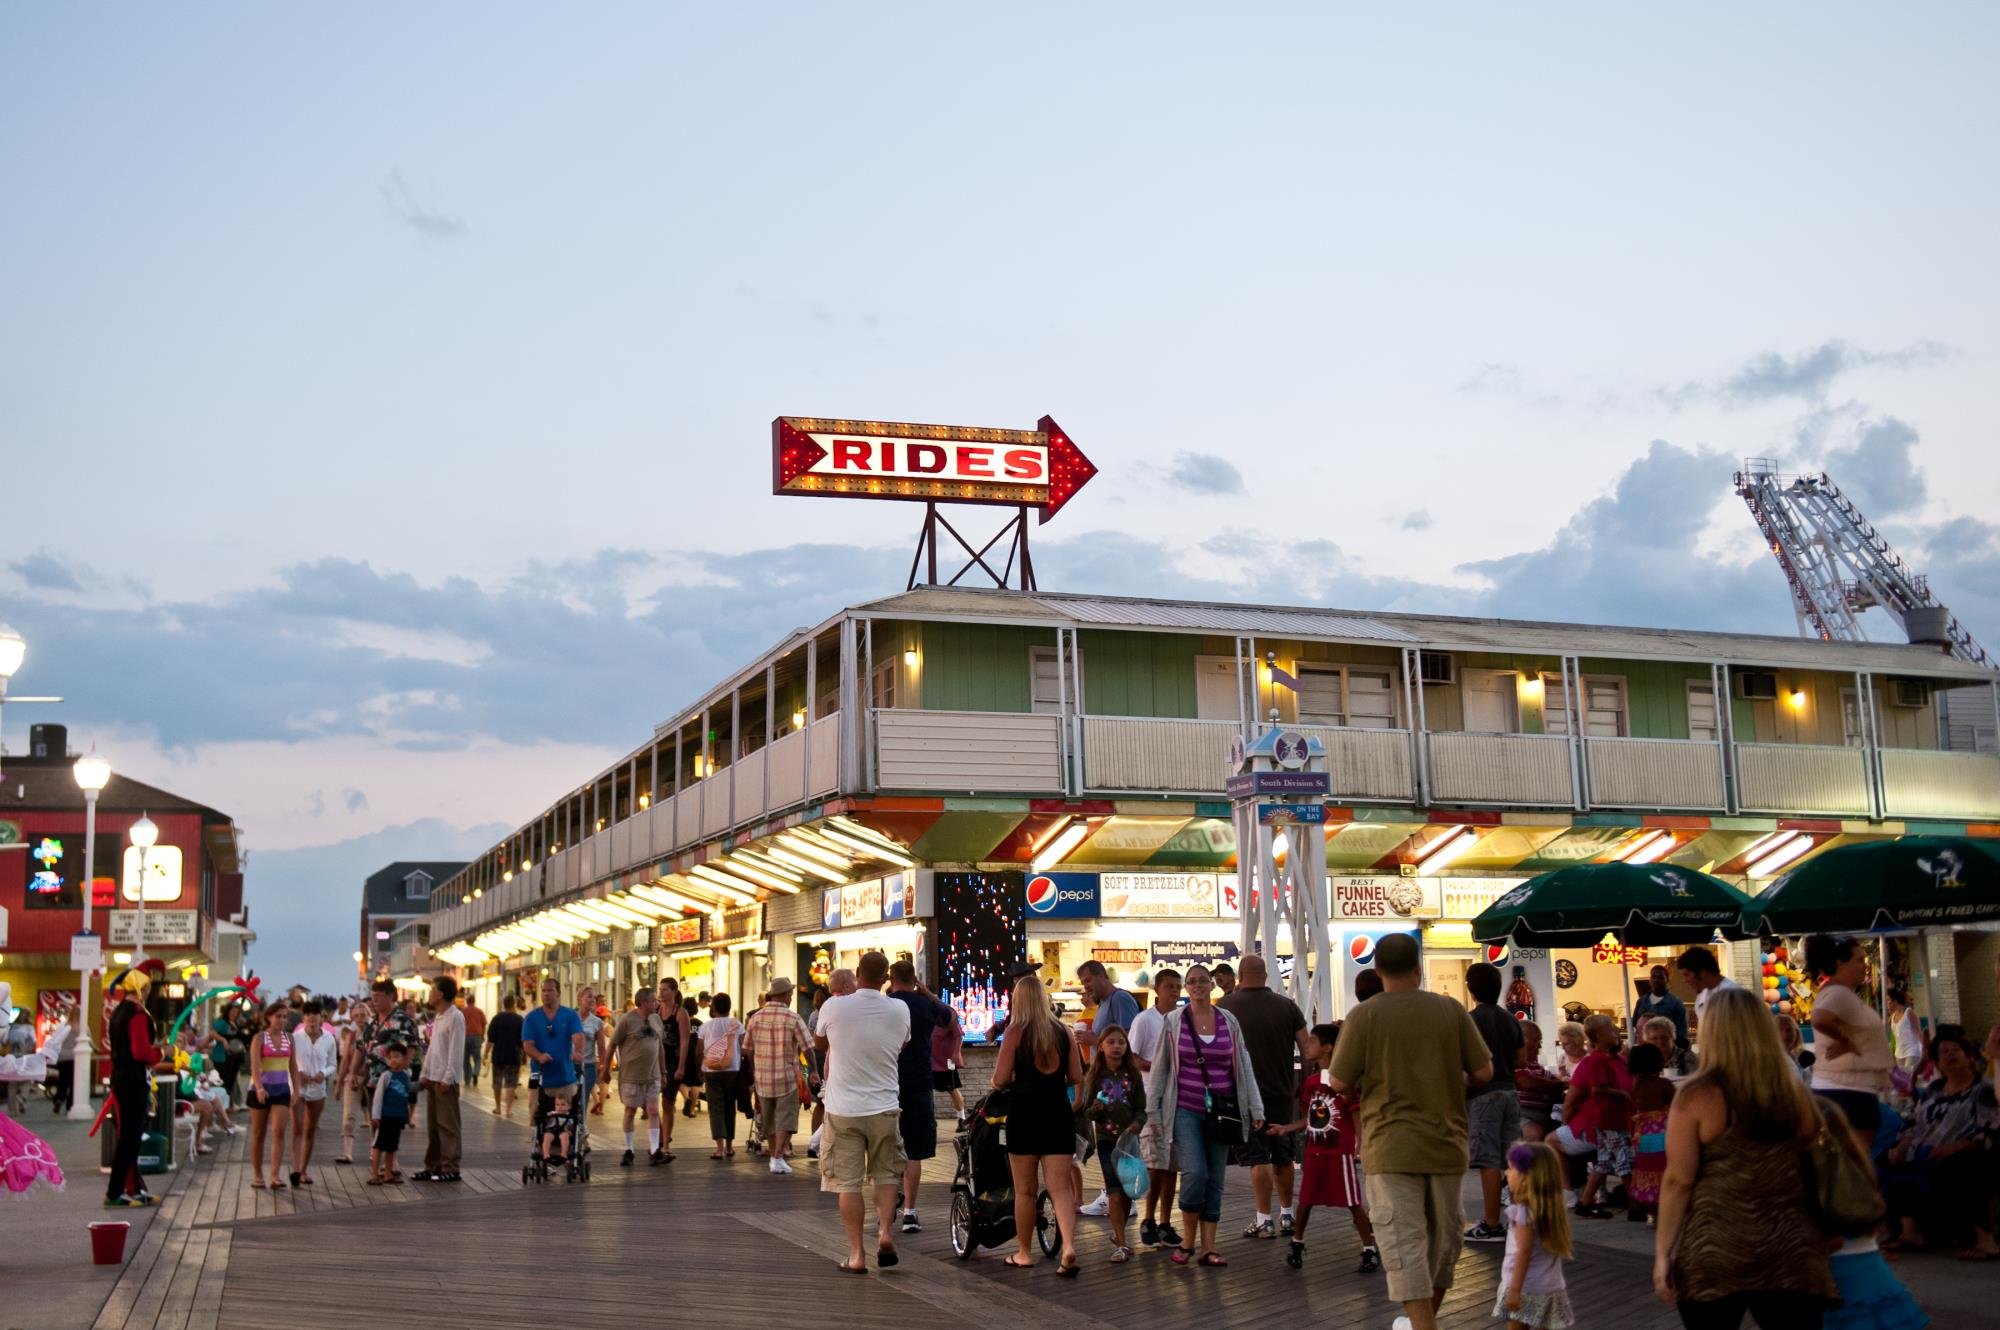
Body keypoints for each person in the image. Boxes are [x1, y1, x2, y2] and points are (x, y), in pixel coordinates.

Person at [1327, 933, 1492, 1330]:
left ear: (1378, 970)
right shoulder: (1451, 1010)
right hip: (1446, 1143)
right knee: (1443, 1244)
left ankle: (1420, 1324)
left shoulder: (1363, 1016)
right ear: (1418, 967)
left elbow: (1337, 1082)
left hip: (1390, 1145)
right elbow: (1484, 1072)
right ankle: (1422, 1322)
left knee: (1404, 1243)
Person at [1653, 984, 1837, 1327]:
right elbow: (1812, 1153)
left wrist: (1664, 1253)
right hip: (1790, 1246)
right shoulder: (1793, 1091)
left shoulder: (1697, 1095)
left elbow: (1678, 1181)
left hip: (1714, 1245)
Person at [1143, 962, 1266, 1269]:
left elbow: (1244, 1065)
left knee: (1216, 1178)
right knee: (1195, 1172)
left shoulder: (1228, 1021)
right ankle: (1187, 1239)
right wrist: (1153, 1111)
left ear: (1212, 985)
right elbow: (1160, 1068)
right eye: (1192, 981)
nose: (1198, 985)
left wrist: (1255, 1107)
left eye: (1203, 980)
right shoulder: (1174, 1022)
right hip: (1185, 1108)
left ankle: (1209, 1247)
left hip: (1223, 1111)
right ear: (1187, 988)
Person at [815, 951, 912, 1274]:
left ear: (857, 974)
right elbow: (902, 1045)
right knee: (886, 1176)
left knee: (848, 1183)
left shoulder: (834, 1006)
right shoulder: (900, 1009)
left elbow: (820, 1043)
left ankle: (857, 1255)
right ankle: (884, 1233)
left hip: (843, 1110)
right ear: (886, 978)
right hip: (884, 1106)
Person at [993, 971, 1085, 1273]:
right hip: (1057, 1113)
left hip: (1024, 1114)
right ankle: (1069, 1247)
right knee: (1060, 1189)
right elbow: (1076, 1076)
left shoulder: (1015, 1033)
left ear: (1018, 1000)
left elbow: (999, 1080)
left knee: (1025, 1191)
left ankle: (1023, 1252)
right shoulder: (1063, 1032)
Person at [1882, 1023, 1999, 1258]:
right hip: (1926, 1152)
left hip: (1970, 1153)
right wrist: (1902, 1144)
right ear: (1936, 1062)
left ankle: (1987, 1241)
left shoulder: (1983, 1090)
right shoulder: (1934, 1089)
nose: (1949, 1055)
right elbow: (1914, 1122)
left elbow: (1990, 1129)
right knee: (1888, 1164)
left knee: (1957, 1167)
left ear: (1968, 1056)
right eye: (1943, 1052)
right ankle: (1911, 1233)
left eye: (1955, 1050)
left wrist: (1955, 1147)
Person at [1217, 952, 1308, 1240]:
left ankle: (1263, 1219)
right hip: (1282, 1092)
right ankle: (1287, 1215)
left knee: (1259, 1158)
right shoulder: (1287, 1007)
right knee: (1283, 1155)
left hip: (1244, 1096)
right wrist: (1304, 1082)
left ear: (1240, 976)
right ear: (1267, 977)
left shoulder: (1225, 1006)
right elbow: (1307, 1049)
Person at [1279, 1022, 1376, 1273]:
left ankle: (1369, 1248)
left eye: (1312, 1041)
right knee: (1306, 1199)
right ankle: (1297, 1242)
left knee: (1353, 1201)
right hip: (1315, 1149)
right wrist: (1287, 1128)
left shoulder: (1343, 1080)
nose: (1307, 1045)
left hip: (1339, 1150)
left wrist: (1359, 1143)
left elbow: (1355, 1113)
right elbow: (1311, 1116)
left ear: (1328, 1047)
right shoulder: (1312, 1082)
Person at [1807, 934, 1893, 1155]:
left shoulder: (1838, 993)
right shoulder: (1838, 993)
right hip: (1848, 1090)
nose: (1864, 966)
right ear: (1840, 963)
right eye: (1859, 960)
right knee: (1855, 1159)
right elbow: (1819, 1018)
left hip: (1845, 1088)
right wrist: (1844, 1039)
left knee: (1847, 1159)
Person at [1461, 961, 1524, 1245]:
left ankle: (1491, 1222)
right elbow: (1522, 1059)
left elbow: (1462, 1060)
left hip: (1483, 1095)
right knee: (1513, 1158)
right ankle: (1521, 1216)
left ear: (1471, 989)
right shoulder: (1510, 1019)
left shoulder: (1470, 1020)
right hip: (1510, 1091)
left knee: (1488, 1160)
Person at [1076, 1024, 1147, 1261]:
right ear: (1102, 1046)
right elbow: (1087, 1111)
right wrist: (1096, 1108)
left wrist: (1138, 1123)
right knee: (1114, 1190)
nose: (1116, 1046)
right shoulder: (1095, 1075)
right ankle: (1121, 1242)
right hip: (1107, 1141)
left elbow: (1141, 1109)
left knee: (1127, 1192)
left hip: (1128, 1142)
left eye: (1121, 1042)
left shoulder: (1133, 1074)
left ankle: (1121, 1236)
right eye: (1111, 1042)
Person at [1553, 1015, 1630, 1219]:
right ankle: (1634, 1202)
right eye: (1610, 1029)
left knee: (1606, 1160)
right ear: (1597, 1036)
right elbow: (1596, 1090)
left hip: (1607, 1121)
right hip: (1608, 1120)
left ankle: (1580, 1198)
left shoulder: (1608, 1060)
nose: (1615, 1030)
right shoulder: (1604, 1060)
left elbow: (1575, 1099)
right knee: (1618, 1160)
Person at [1128, 968, 1183, 1250]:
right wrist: (1158, 1068)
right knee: (1154, 1162)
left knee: (1172, 1163)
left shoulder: (1182, 1020)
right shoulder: (1145, 1020)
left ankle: (1165, 1221)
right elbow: (1133, 1055)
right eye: (1170, 987)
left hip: (1178, 1099)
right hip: (1152, 1097)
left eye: (1178, 987)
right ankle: (1148, 1217)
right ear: (1157, 989)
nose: (1175, 992)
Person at [1495, 1142, 1575, 1330]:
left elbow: (1523, 1251)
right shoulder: (1552, 1210)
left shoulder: (1523, 1213)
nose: (1507, 1173)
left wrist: (1514, 1291)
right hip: (1550, 1287)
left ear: (1526, 1178)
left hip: (1525, 1287)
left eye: (1510, 1168)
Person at [745, 976, 811, 1174]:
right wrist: (814, 1071)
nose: (791, 997)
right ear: (783, 995)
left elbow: (747, 1049)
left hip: (763, 1077)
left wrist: (754, 1069)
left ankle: (776, 1157)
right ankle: (777, 1156)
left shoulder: (755, 1018)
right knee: (786, 1117)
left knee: (770, 1119)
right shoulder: (793, 1018)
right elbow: (807, 1047)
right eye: (790, 993)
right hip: (786, 1076)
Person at [103, 983, 161, 1208]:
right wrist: (162, 1052)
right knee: (129, 1138)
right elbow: (141, 1051)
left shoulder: (118, 1011)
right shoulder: (137, 1014)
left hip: (122, 1077)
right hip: (133, 1080)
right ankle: (115, 1192)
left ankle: (134, 1189)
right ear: (142, 988)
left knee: (130, 1138)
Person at [521, 978, 586, 1163]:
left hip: (565, 1077)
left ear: (558, 993)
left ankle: (569, 1149)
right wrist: (539, 1056)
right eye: (543, 991)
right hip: (541, 1077)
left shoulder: (569, 1016)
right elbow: (527, 1045)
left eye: (550, 990)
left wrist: (578, 1051)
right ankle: (541, 1148)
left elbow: (578, 1036)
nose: (546, 994)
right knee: (538, 1117)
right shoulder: (532, 1018)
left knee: (569, 1117)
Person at [605, 985, 669, 1167]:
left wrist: (663, 1072)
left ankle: (655, 1150)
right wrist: (605, 1070)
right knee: (630, 1111)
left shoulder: (656, 1019)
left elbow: (660, 1046)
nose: (656, 1003)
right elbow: (612, 1045)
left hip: (653, 1075)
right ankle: (629, 1149)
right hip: (631, 1076)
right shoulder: (627, 1020)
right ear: (643, 1002)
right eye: (653, 1000)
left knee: (653, 1111)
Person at [415, 975, 464, 1183]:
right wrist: (425, 1074)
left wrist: (448, 1077)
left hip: (445, 1080)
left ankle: (450, 1166)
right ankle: (433, 1164)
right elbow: (434, 1049)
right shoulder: (438, 1017)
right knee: (434, 1126)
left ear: (441, 993)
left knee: (448, 1125)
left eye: (433, 989)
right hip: (433, 1077)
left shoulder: (455, 1017)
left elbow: (455, 1050)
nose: (430, 994)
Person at [247, 1002, 297, 1190]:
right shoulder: (260, 1038)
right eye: (278, 1016)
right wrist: (259, 1088)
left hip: (281, 1089)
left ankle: (275, 1175)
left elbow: (293, 1067)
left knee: (278, 1131)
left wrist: (296, 1090)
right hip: (260, 1089)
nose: (282, 1020)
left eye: (285, 1017)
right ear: (269, 1017)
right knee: (259, 1133)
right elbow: (254, 1066)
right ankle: (258, 1174)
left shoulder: (289, 1039)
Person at [1624, 1042, 1674, 1225]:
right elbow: (1676, 1104)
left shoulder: (1636, 1087)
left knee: (1646, 1170)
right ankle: (1665, 1209)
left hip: (1642, 1134)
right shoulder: (1663, 1084)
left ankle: (1649, 1211)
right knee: (1664, 1169)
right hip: (1662, 1133)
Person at [291, 999, 338, 1186]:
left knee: (310, 1130)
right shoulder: (295, 1038)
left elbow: (333, 1064)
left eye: (315, 1014)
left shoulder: (329, 1039)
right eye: (308, 1014)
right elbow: (289, 1062)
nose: (312, 1018)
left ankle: (303, 1170)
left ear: (321, 1017)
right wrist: (297, 1073)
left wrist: (323, 1073)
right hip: (298, 1088)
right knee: (297, 1127)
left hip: (318, 1088)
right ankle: (295, 1169)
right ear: (303, 1018)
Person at [696, 992, 744, 1160]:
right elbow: (743, 1047)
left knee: (716, 1109)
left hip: (711, 1072)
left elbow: (698, 1050)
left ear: (713, 1007)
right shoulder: (737, 1024)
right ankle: (730, 1147)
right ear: (729, 1007)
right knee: (730, 1107)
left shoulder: (705, 1027)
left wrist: (699, 1070)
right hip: (732, 1070)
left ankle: (719, 1148)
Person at [368, 1041, 413, 1184]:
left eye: (397, 1056)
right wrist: (375, 1116)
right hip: (385, 1116)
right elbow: (378, 1096)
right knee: (379, 1145)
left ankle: (388, 1174)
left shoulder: (406, 1075)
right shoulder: (386, 1076)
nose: (393, 1060)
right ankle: (374, 1174)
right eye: (390, 1057)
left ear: (404, 1058)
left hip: (397, 1116)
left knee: (392, 1147)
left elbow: (410, 1090)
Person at [1674, 946, 1735, 1047]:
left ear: (1702, 972)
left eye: (1687, 974)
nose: (1685, 980)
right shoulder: (1701, 995)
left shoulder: (1732, 995)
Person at [656, 978, 690, 1157]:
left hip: (672, 1062)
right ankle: (661, 1137)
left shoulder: (680, 1013)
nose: (661, 993)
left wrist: (681, 1066)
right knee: (650, 1103)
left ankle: (665, 1142)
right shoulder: (656, 1010)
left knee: (667, 1102)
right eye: (660, 989)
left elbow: (685, 1041)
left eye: (665, 990)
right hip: (655, 1062)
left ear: (674, 992)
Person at [1515, 1023, 1562, 1144]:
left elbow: (1554, 1082)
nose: (1540, 1046)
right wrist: (1564, 1085)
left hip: (1544, 1116)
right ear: (1521, 1040)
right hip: (1521, 1115)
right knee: (1535, 1135)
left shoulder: (1538, 1067)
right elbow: (1527, 1083)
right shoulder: (1514, 1062)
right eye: (1537, 1040)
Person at [486, 994, 525, 1119]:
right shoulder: (519, 1020)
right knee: (511, 1083)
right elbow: (524, 1040)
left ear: (504, 1004)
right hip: (514, 1056)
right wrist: (525, 1056)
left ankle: (498, 1108)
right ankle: (508, 1110)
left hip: (498, 1055)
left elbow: (490, 1039)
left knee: (497, 1082)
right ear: (514, 1004)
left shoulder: (497, 1018)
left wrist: (485, 1054)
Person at [1633, 965, 1690, 1048]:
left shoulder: (1676, 1003)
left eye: (1660, 977)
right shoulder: (1641, 1001)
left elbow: (1681, 1032)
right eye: (1653, 977)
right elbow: (1634, 1025)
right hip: (1644, 1049)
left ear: (1667, 980)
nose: (1656, 980)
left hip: (1665, 1048)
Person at [931, 998, 967, 1127]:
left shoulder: (947, 1015)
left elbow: (959, 1035)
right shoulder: (927, 1014)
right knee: (928, 1090)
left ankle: (962, 1119)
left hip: (947, 1062)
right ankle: (930, 1118)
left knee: (952, 1089)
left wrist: (956, 1053)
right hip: (930, 1061)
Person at [575, 986, 607, 1117]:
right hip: (570, 1065)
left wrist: (603, 1068)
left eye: (594, 997)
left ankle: (581, 1126)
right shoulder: (570, 1017)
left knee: (583, 1098)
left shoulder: (597, 1022)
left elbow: (602, 1048)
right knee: (569, 1097)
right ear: (579, 999)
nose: (593, 999)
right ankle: (568, 1128)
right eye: (589, 996)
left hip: (588, 1066)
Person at [1641, 1015, 1695, 1080]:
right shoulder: (1643, 1061)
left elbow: (1696, 1083)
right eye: (1654, 1039)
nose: (1660, 1042)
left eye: (1664, 1038)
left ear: (1673, 1038)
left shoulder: (1686, 1058)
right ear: (1647, 1041)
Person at [1885, 988, 1921, 1076]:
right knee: (1902, 1081)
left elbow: (1919, 1032)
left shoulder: (1909, 1013)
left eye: (1888, 1000)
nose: (1887, 1004)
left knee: (1909, 1078)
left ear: (1895, 1001)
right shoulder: (1892, 1018)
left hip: (1912, 1051)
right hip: (1899, 1053)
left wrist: (1925, 1051)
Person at [462, 994, 486, 1087]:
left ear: (467, 1001)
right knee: (477, 1058)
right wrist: (482, 1036)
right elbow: (484, 1024)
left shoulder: (463, 1011)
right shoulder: (479, 1011)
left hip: (465, 1037)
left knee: (465, 1059)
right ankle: (475, 1072)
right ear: (474, 1001)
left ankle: (467, 1080)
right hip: (476, 1037)